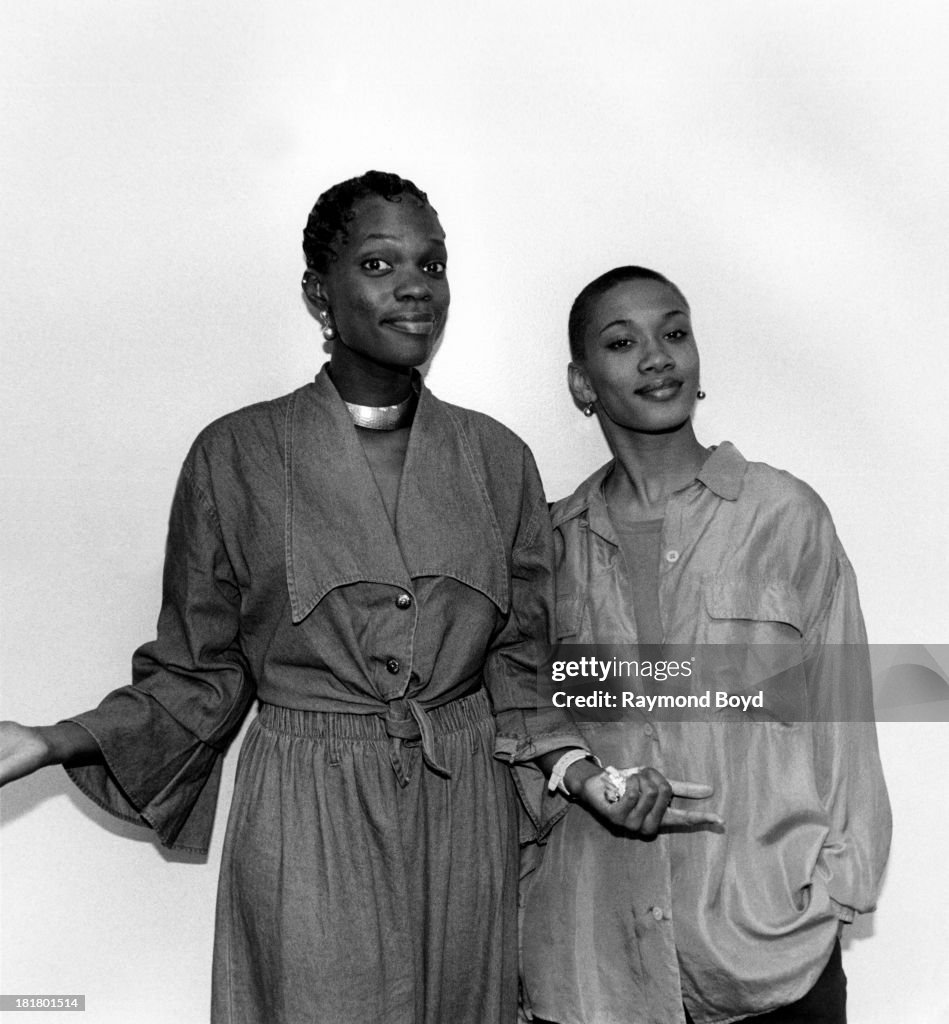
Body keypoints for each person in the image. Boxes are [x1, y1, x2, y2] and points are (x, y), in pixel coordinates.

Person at [0, 178, 715, 1024]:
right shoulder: (237, 456)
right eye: (379, 263)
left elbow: (519, 677)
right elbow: (198, 676)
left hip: (463, 812)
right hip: (308, 807)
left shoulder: (497, 460)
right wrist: (52, 741)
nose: (415, 285)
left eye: (432, 263)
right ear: (319, 294)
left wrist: (581, 774)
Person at [519, 266, 892, 1024]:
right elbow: (523, 725)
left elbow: (845, 720)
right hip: (594, 967)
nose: (657, 356)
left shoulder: (783, 516)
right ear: (581, 383)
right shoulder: (546, 547)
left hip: (767, 959)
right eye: (621, 342)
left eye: (675, 332)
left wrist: (834, 896)